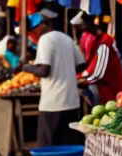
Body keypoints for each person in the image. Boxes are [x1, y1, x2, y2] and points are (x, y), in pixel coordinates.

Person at [21, 9, 87, 147]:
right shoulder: (67, 39)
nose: (36, 30)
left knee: (48, 146)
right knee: (69, 145)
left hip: (53, 103)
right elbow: (81, 65)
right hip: (71, 102)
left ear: (44, 25)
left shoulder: (45, 40)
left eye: (37, 27)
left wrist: (27, 67)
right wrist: (65, 70)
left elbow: (44, 70)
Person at [76, 12, 122, 107]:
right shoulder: (99, 43)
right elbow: (92, 69)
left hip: (111, 97)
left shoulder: (105, 44)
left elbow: (98, 74)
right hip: (107, 96)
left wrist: (83, 81)